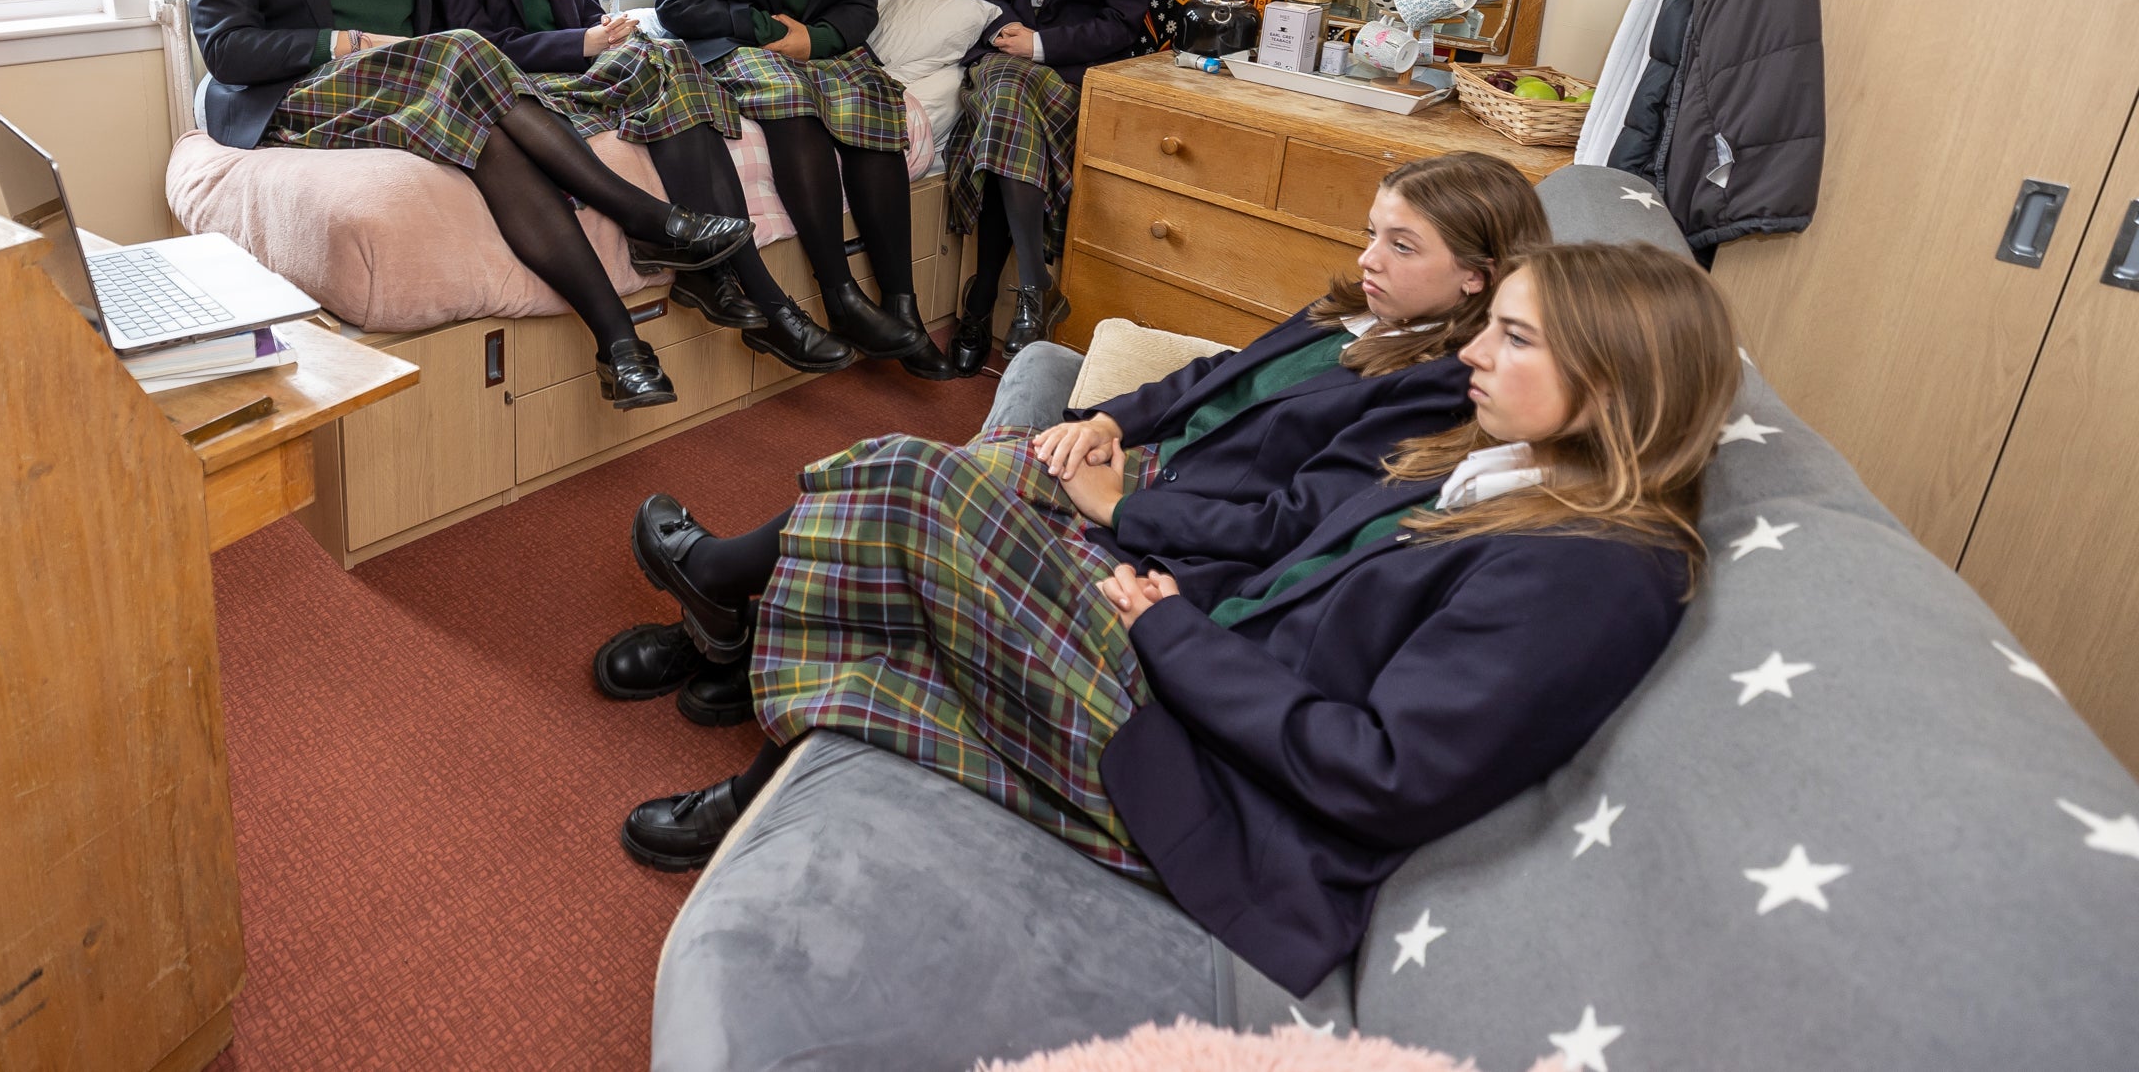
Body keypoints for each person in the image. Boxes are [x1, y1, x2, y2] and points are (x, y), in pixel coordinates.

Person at [619, 239, 1734, 1001]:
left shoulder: (1596, 571)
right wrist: (1162, 593)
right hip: (1201, 693)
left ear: (1619, 377)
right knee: (903, 487)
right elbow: (1308, 575)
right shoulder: (1504, 468)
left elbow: (1387, 772)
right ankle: (738, 673)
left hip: (1221, 800)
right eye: (1489, 327)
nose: (1476, 355)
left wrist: (1170, 632)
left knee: (913, 481)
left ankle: (726, 638)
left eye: (1517, 338)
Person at [594, 151, 1542, 736]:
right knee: (912, 473)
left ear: (1476, 280)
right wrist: (1109, 418)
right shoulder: (1352, 313)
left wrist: (1122, 503)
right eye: (1373, 232)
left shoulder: (1434, 392)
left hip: (1172, 513)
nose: (1370, 258)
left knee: (903, 469)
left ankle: (722, 587)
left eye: (1403, 246)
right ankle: (729, 624)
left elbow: (1288, 522)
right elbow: (1212, 377)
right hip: (1146, 458)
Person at [188, 0, 754, 412]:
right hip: (308, 89)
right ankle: (647, 217)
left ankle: (620, 346)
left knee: (496, 139)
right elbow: (226, 45)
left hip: (405, 84)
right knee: (463, 49)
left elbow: (429, 26)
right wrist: (349, 40)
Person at [421, 0, 854, 375]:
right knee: (667, 63)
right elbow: (479, 44)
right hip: (517, 90)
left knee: (666, 63)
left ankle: (719, 279)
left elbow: (593, 17)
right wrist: (583, 43)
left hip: (584, 78)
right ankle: (759, 296)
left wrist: (610, 32)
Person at [653, 0, 947, 381]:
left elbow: (861, 3)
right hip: (738, 39)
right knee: (793, 100)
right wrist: (766, 31)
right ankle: (840, 294)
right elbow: (675, 1)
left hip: (818, 45)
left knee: (877, 104)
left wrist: (814, 39)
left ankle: (903, 309)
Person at [943, 0, 1167, 373]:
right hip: (1002, 62)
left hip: (1068, 74)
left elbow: (1123, 22)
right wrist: (1003, 36)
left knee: (1005, 113)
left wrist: (1040, 45)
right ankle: (1035, 292)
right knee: (1007, 99)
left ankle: (981, 298)